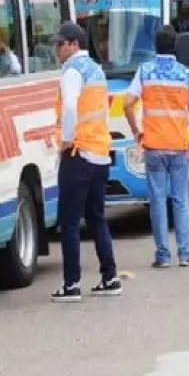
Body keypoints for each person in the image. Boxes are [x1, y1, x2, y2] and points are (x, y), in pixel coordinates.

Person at [122, 26, 189, 268]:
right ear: (176, 47)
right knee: (180, 199)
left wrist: (137, 131)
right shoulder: (186, 75)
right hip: (179, 147)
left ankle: (162, 256)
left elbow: (128, 104)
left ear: (155, 46)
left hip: (154, 146)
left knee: (157, 201)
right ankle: (185, 253)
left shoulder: (145, 71)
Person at [51, 21, 122, 302]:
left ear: (73, 44)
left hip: (78, 152)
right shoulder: (96, 70)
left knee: (69, 222)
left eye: (60, 44)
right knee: (97, 219)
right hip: (100, 153)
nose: (56, 49)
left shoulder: (72, 71)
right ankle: (110, 276)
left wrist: (67, 139)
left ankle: (71, 284)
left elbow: (70, 106)